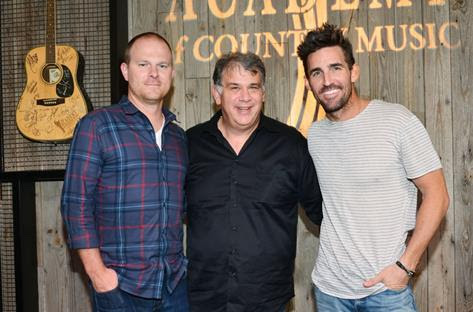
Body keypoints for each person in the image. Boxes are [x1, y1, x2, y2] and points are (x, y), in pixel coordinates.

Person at [297, 23, 449, 311]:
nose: (327, 80)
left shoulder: (397, 122)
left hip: (386, 292)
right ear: (308, 83)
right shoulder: (314, 136)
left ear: (354, 72)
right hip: (330, 292)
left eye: (335, 68)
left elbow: (438, 196)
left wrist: (406, 266)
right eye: (317, 73)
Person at [185, 52, 323, 312]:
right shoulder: (190, 144)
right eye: (234, 87)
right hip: (204, 298)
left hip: (268, 299)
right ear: (217, 95)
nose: (245, 97)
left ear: (263, 94)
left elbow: (324, 213)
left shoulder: (290, 145)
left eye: (253, 87)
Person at [61, 32, 189, 311]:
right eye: (143, 64)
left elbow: (184, 205)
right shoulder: (97, 126)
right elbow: (75, 204)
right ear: (125, 71)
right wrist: (98, 275)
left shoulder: (178, 138)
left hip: (174, 286)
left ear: (172, 73)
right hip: (121, 288)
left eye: (163, 66)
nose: (154, 73)